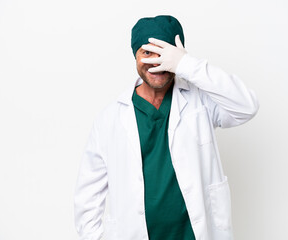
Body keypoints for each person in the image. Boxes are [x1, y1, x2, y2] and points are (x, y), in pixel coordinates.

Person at [74, 15, 259, 240]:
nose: (155, 62)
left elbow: (246, 107)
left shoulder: (200, 102)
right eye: (147, 53)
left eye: (164, 53)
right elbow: (88, 198)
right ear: (135, 55)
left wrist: (186, 64)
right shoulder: (109, 119)